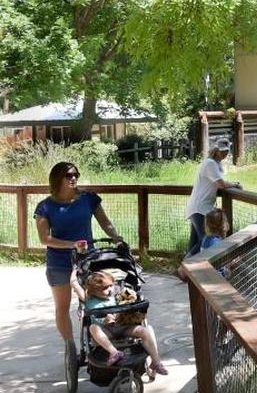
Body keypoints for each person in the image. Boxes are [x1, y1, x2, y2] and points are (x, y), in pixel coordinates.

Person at [35, 161, 124, 351]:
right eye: (68, 175)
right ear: (57, 178)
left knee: (96, 300)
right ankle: (70, 345)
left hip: (88, 261)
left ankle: (99, 339)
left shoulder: (88, 199)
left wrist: (116, 237)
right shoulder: (45, 207)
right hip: (59, 263)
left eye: (76, 174)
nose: (73, 178)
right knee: (62, 307)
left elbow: (105, 223)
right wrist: (71, 245)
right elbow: (44, 238)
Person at [84, 271, 168, 378]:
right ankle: (114, 352)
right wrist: (105, 319)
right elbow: (94, 315)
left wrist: (131, 303)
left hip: (124, 327)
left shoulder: (118, 295)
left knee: (145, 331)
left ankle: (156, 362)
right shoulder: (92, 302)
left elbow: (130, 301)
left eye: (111, 286)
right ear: (94, 291)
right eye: (105, 288)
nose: (110, 290)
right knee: (93, 327)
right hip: (107, 330)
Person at [185, 137, 239, 257]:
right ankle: (185, 267)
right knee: (206, 240)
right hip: (200, 208)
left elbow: (219, 184)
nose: (225, 153)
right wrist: (236, 185)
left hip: (198, 207)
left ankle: (186, 269)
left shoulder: (213, 163)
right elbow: (221, 184)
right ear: (216, 150)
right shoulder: (210, 163)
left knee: (195, 241)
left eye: (227, 151)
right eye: (222, 151)